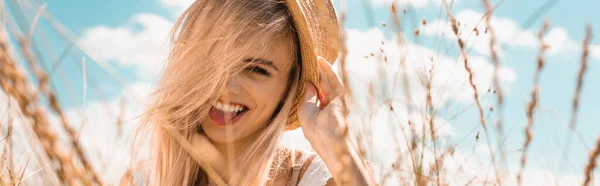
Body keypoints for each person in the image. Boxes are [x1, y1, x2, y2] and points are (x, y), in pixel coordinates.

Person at [127, 0, 378, 185]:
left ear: (291, 89)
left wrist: (338, 146)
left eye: (257, 69)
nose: (225, 85)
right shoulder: (144, 180)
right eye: (211, 61)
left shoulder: (316, 179)